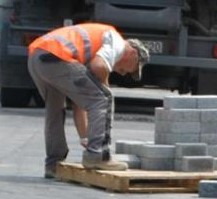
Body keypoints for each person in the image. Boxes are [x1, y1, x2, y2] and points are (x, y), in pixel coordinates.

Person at [27, 22, 149, 177]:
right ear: (133, 53)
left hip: (38, 57)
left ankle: (53, 164)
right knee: (104, 98)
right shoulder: (117, 41)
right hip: (57, 56)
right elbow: (99, 66)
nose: (125, 73)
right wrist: (105, 86)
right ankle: (98, 155)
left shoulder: (93, 49)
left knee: (55, 110)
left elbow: (81, 103)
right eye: (134, 68)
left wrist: (86, 137)